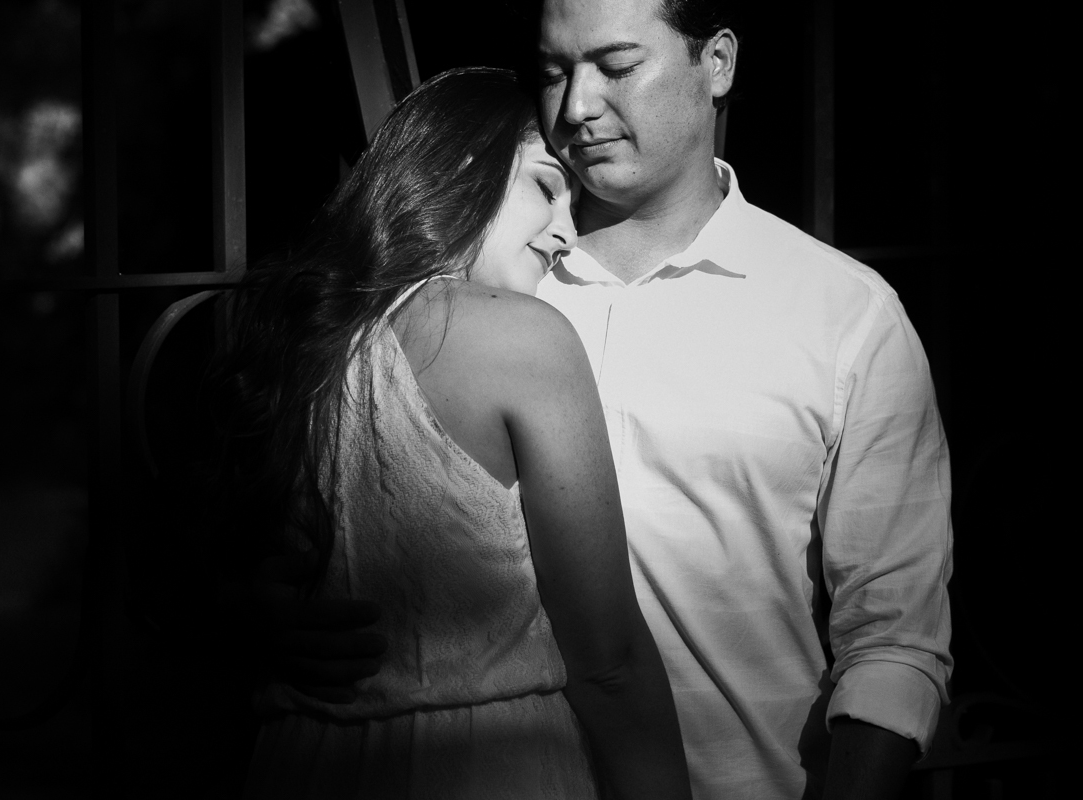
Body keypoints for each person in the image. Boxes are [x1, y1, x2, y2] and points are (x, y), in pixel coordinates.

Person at [265, 2, 954, 799]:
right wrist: (263, 615)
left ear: (717, 63)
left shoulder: (844, 314)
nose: (576, 106)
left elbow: (895, 638)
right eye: (554, 72)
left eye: (617, 66)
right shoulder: (494, 273)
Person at [208, 66, 689, 799]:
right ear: (464, 165)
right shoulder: (526, 337)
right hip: (489, 768)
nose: (567, 234)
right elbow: (609, 660)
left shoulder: (298, 341)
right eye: (546, 187)